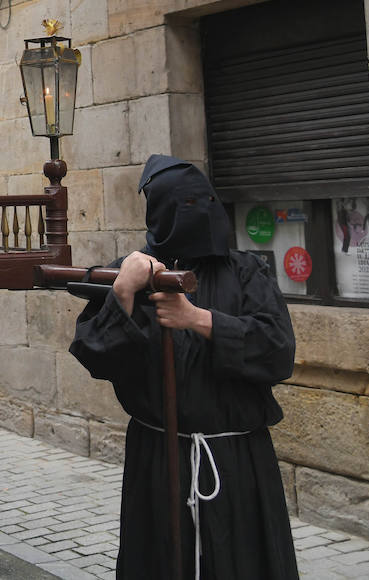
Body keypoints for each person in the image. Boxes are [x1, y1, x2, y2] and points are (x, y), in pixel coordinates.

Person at [69, 154, 298, 579]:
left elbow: (278, 351)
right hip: (160, 459)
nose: (198, 211)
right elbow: (93, 353)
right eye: (182, 204)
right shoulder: (133, 274)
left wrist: (199, 320)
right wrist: (122, 292)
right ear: (159, 212)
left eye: (204, 200)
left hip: (237, 461)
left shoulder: (247, 272)